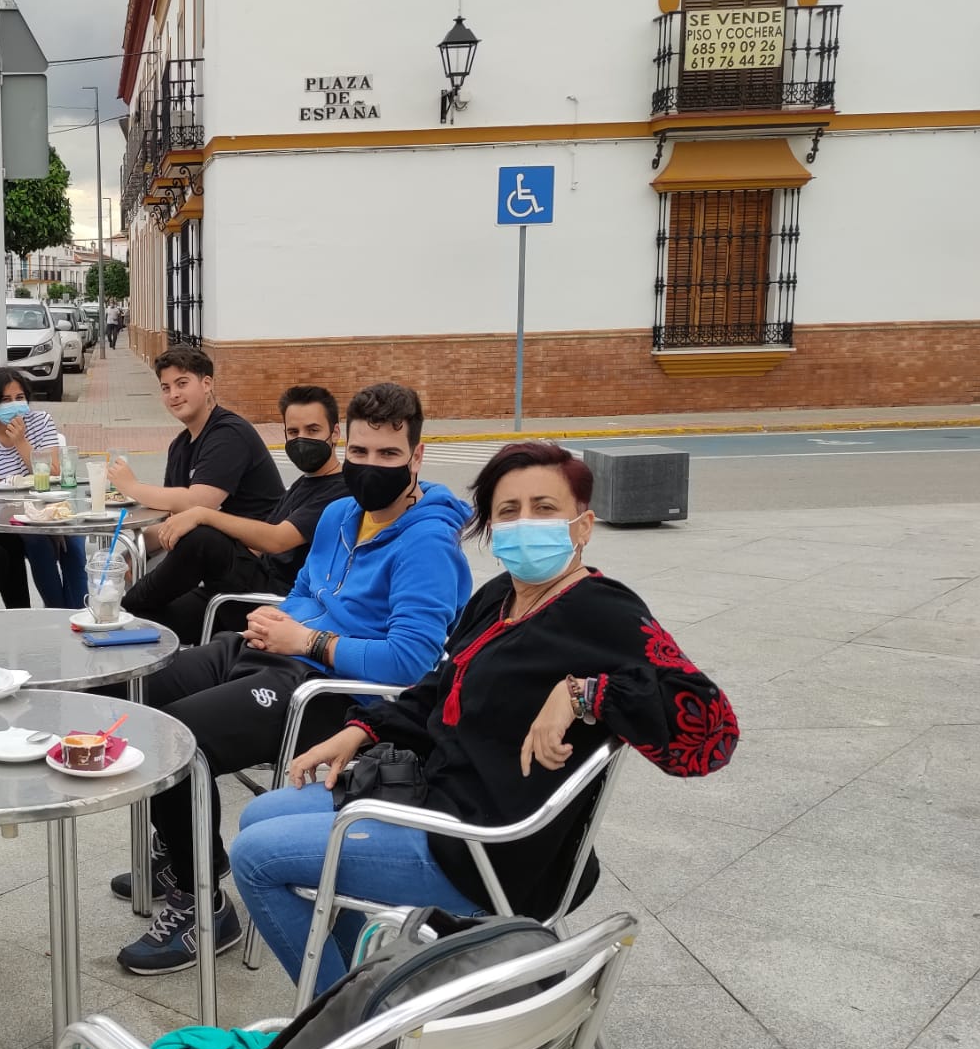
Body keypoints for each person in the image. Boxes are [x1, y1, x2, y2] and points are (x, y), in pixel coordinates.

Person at [232, 441, 741, 995]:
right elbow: (441, 686)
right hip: (435, 796)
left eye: (544, 508)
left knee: (255, 858)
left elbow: (711, 733)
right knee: (258, 815)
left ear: (583, 525)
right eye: (508, 511)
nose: (525, 524)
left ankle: (346, 1022)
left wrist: (583, 694)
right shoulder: (501, 596)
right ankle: (365, 986)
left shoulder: (604, 611)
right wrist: (362, 729)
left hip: (486, 847)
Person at [110, 384, 473, 976]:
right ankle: (184, 851)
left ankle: (202, 907)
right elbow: (306, 591)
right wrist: (278, 621)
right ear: (345, 446)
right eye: (360, 452)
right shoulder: (339, 514)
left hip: (330, 694)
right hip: (272, 654)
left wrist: (307, 641)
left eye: (389, 454)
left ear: (417, 456)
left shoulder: (428, 542)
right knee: (135, 696)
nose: (371, 466)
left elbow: (410, 661)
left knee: (176, 740)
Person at [125, 385, 349, 641]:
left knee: (202, 539)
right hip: (241, 590)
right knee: (145, 621)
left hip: (277, 601)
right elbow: (256, 548)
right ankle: (123, 615)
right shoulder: (306, 482)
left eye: (312, 430)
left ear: (335, 433)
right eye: (293, 432)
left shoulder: (340, 490)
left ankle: (121, 607)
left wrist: (202, 515)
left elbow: (277, 540)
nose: (302, 440)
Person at [107, 347, 286, 592]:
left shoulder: (229, 434)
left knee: (141, 596)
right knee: (118, 573)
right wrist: (132, 552)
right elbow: (173, 519)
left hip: (255, 564)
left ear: (206, 384)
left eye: (182, 384)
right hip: (210, 555)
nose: (173, 394)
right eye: (166, 388)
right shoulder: (179, 446)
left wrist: (132, 487)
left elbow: (197, 503)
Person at [0, 367, 88, 609]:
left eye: (19, 398)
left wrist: (21, 442)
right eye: (5, 400)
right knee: (38, 543)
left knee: (73, 543)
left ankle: (77, 613)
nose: (14, 405)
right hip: (18, 514)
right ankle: (58, 612)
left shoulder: (41, 422)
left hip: (56, 504)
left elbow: (54, 473)